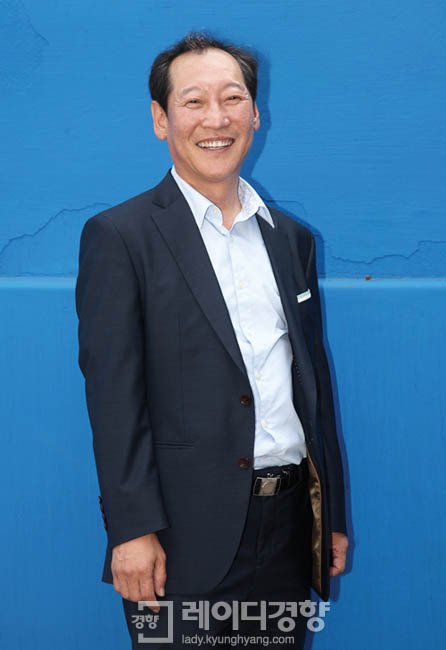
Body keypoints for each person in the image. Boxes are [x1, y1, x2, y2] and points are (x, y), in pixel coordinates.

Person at [75, 32, 348, 649]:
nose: (216, 119)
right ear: (161, 119)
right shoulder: (120, 237)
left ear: (256, 113)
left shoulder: (291, 240)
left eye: (232, 98)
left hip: (286, 530)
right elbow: (113, 399)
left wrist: (326, 515)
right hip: (180, 539)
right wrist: (131, 529)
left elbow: (311, 385)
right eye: (193, 102)